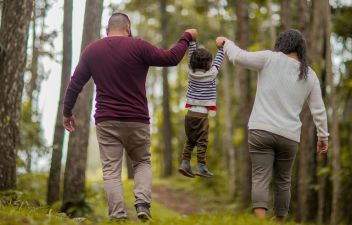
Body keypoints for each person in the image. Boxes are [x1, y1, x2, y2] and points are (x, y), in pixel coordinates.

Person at [62, 12, 197, 222]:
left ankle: (118, 216)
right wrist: (186, 37)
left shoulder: (93, 51)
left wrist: (67, 112)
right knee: (142, 161)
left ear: (107, 30)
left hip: (106, 120)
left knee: (111, 170)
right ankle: (142, 204)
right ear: (128, 27)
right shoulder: (139, 46)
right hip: (137, 119)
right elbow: (171, 58)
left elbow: (75, 84)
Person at [215, 29, 329, 221]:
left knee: (260, 177)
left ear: (281, 44)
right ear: (301, 49)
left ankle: (260, 221)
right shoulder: (310, 75)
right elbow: (319, 109)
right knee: (283, 181)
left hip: (261, 130)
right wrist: (323, 137)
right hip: (289, 136)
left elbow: (239, 57)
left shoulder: (269, 58)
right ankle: (279, 222)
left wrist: (225, 42)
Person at [178, 40, 224, 178]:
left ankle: (185, 163)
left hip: (190, 114)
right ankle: (201, 166)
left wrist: (192, 43)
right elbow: (218, 61)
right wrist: (221, 49)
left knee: (190, 140)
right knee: (202, 142)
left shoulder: (190, 72)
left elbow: (191, 54)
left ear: (192, 63)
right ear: (209, 63)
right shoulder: (211, 74)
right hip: (202, 116)